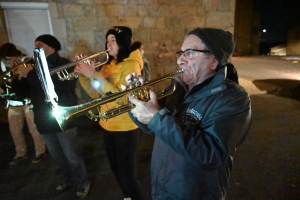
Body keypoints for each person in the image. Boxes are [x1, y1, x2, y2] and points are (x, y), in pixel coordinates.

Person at [125, 28, 252, 199]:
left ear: (213, 61)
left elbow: (211, 155)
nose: (179, 60)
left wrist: (156, 117)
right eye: (181, 53)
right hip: (161, 189)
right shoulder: (177, 88)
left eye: (190, 53)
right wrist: (138, 101)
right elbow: (152, 128)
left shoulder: (233, 98)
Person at [15, 35, 91, 198]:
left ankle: (83, 182)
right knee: (57, 157)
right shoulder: (33, 67)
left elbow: (55, 87)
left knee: (72, 156)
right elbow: (24, 93)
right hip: (43, 121)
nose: (36, 48)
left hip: (63, 119)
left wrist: (29, 74)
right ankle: (67, 180)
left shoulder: (64, 64)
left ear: (52, 47)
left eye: (40, 45)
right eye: (35, 45)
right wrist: (18, 77)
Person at [74, 26, 145, 200]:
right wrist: (84, 75)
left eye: (113, 40)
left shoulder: (132, 65)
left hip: (125, 126)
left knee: (127, 175)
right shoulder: (108, 65)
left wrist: (94, 74)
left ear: (122, 43)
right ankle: (128, 197)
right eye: (107, 40)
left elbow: (120, 98)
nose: (108, 43)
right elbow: (97, 95)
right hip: (108, 124)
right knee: (116, 170)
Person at [0, 43, 46, 165]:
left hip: (28, 102)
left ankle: (40, 151)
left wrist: (16, 72)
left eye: (9, 58)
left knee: (34, 128)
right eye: (5, 59)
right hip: (13, 103)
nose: (8, 61)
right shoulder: (1, 65)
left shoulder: (25, 62)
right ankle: (20, 153)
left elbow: (28, 83)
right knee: (14, 129)